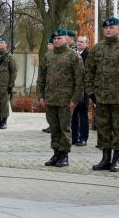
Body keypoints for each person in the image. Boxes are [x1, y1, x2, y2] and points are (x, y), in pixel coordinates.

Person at [85, 17, 119, 172]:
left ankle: (116, 160)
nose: (108, 30)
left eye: (111, 27)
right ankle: (105, 158)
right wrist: (90, 92)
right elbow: (88, 71)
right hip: (101, 97)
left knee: (118, 129)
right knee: (103, 128)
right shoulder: (97, 49)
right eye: (106, 28)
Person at [37, 29, 84, 167]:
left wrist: (75, 99)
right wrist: (40, 95)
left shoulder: (73, 56)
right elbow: (41, 78)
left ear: (66, 39)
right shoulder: (48, 56)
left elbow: (79, 80)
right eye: (55, 38)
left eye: (59, 38)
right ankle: (56, 153)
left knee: (65, 128)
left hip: (66, 100)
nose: (56, 41)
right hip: (50, 99)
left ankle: (64, 155)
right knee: (54, 127)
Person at [71, 35, 90, 146]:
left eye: (82, 42)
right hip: (72, 88)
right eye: (78, 41)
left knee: (82, 114)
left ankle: (83, 138)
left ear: (87, 43)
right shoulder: (72, 53)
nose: (79, 43)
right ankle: (74, 137)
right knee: (73, 114)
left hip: (83, 88)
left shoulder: (89, 55)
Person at [42, 37, 54, 134]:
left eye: (50, 44)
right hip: (47, 86)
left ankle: (53, 125)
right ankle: (50, 124)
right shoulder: (46, 56)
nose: (48, 46)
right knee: (48, 109)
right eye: (48, 44)